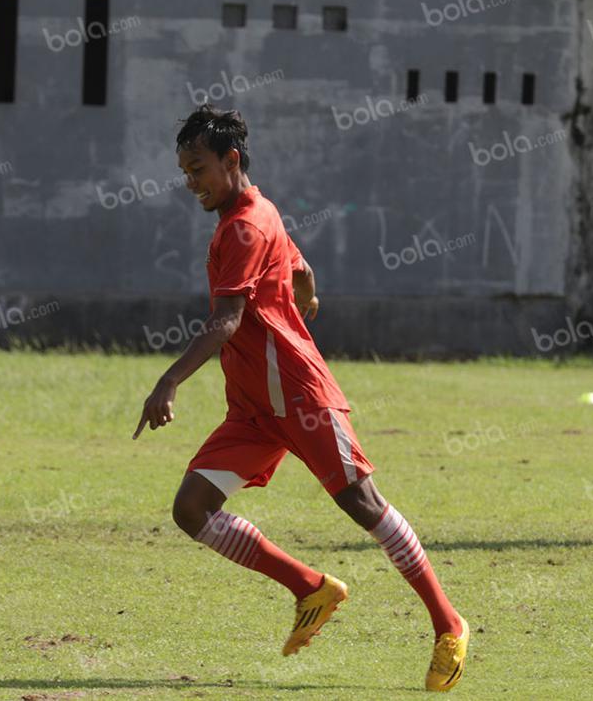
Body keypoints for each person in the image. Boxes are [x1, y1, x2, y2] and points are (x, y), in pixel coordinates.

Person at [133, 104, 468, 691]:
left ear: (230, 161)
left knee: (362, 503)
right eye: (185, 171)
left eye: (198, 168)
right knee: (191, 509)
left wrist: (169, 381)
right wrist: (307, 287)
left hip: (299, 395)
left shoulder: (243, 225)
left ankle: (449, 625)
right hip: (255, 411)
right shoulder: (255, 209)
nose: (191, 182)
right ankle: (311, 588)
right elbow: (298, 265)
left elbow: (227, 320)